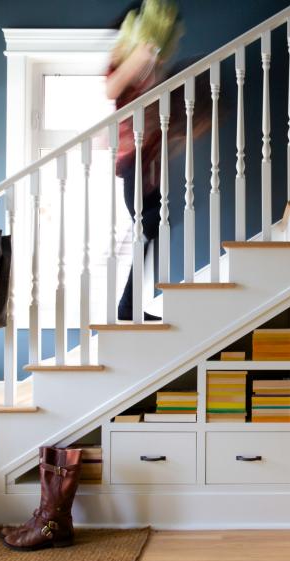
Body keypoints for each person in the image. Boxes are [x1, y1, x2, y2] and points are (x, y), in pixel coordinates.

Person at [106, 1, 209, 321]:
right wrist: (138, 60)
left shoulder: (153, 73)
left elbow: (162, 125)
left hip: (150, 166)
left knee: (158, 225)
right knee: (152, 224)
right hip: (132, 163)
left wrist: (183, 132)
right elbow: (111, 88)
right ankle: (126, 306)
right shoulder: (122, 61)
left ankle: (129, 305)